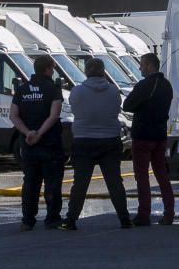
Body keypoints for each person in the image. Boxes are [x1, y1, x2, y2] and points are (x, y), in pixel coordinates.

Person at [59, 58, 133, 231]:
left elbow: (75, 110)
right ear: (103, 71)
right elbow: (116, 109)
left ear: (86, 71)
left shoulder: (77, 91)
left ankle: (71, 220)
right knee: (114, 181)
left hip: (84, 140)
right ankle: (124, 219)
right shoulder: (114, 91)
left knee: (80, 183)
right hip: (110, 140)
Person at [9, 54, 65, 231]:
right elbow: (54, 115)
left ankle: (27, 220)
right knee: (52, 182)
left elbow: (13, 115)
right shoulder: (53, 89)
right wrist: (40, 133)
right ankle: (52, 219)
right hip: (50, 143)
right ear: (48, 69)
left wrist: (28, 133)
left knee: (30, 182)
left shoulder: (22, 89)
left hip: (29, 144)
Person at [123, 52, 175, 226]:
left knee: (142, 176)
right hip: (160, 135)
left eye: (142, 65)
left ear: (150, 65)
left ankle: (144, 214)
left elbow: (127, 105)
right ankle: (169, 212)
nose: (140, 68)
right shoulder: (167, 85)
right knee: (162, 175)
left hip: (143, 135)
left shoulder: (145, 85)